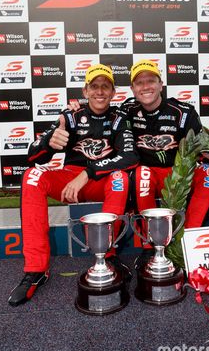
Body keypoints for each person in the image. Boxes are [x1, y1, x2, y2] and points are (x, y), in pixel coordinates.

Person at [8, 64, 139, 306]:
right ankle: (36, 271)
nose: (100, 92)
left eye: (105, 87)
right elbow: (31, 158)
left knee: (120, 177)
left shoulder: (121, 118)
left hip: (99, 180)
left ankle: (107, 257)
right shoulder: (69, 116)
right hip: (70, 181)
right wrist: (49, 142)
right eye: (94, 86)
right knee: (31, 177)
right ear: (85, 90)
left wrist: (88, 173)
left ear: (113, 93)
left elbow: (131, 157)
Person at [117, 59, 209, 251]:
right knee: (142, 174)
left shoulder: (183, 112)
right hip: (147, 177)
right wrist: (75, 110)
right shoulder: (126, 110)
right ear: (132, 89)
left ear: (160, 84)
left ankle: (190, 242)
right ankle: (149, 247)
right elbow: (98, 117)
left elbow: (208, 150)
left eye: (151, 81)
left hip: (178, 175)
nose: (145, 87)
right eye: (139, 83)